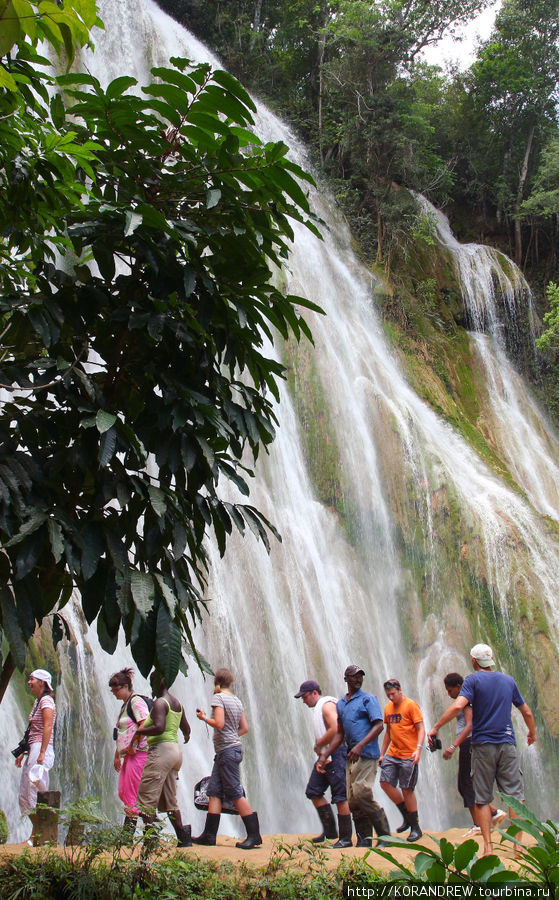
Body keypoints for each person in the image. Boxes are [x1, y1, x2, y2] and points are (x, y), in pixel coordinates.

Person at [428, 643, 537, 857]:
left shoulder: (472, 680)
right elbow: (527, 712)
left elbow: (459, 706)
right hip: (507, 744)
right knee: (515, 795)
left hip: (483, 746)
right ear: (492, 660)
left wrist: (437, 726)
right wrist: (531, 733)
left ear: (474, 661)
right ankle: (517, 846)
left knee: (483, 797)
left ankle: (488, 847)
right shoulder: (509, 681)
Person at [321, 664, 390, 848]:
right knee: (352, 799)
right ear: (346, 679)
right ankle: (364, 839)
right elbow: (340, 734)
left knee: (361, 792)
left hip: (367, 754)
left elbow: (379, 725)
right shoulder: (342, 704)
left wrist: (360, 745)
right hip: (351, 757)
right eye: (354, 676)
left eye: (360, 676)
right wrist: (325, 754)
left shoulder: (368, 700)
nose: (358, 679)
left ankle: (384, 836)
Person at [193, 667, 262, 849]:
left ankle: (254, 835)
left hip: (227, 752)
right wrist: (232, 736)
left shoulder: (218, 698)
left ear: (217, 682)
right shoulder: (236, 700)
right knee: (214, 791)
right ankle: (209, 836)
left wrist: (204, 718)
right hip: (230, 750)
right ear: (230, 683)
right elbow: (244, 728)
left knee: (234, 792)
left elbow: (219, 723)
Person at [439, 673, 505, 837]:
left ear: (459, 687)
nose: (449, 694)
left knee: (466, 784)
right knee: (467, 784)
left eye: (450, 690)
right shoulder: (468, 698)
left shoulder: (466, 700)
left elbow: (469, 726)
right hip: (470, 743)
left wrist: (453, 746)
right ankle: (494, 812)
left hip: (469, 742)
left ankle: (478, 824)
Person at [131, 671, 192, 847]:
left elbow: (159, 727)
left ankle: (151, 838)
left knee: (145, 798)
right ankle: (183, 838)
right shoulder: (177, 703)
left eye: (152, 683)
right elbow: (186, 729)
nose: (151, 687)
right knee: (170, 800)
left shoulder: (159, 703)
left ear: (158, 683)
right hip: (175, 752)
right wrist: (186, 737)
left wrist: (140, 731)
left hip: (161, 752)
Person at [294, 679, 350, 844]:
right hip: (326, 756)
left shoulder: (326, 706)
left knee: (340, 796)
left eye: (305, 697)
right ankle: (330, 832)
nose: (303, 701)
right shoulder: (321, 707)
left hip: (337, 753)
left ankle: (345, 838)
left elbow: (335, 729)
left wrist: (319, 744)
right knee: (313, 790)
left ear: (315, 693)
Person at [379, 678, 425, 842]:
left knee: (407, 789)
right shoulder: (388, 708)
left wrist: (418, 750)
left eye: (392, 694)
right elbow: (388, 732)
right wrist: (382, 753)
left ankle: (415, 828)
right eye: (388, 695)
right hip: (393, 753)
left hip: (409, 754)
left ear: (399, 690)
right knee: (385, 783)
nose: (390, 697)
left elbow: (420, 728)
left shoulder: (411, 705)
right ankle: (406, 814)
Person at [15, 669, 56, 846]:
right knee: (25, 794)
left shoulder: (47, 701)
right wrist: (24, 753)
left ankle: (36, 836)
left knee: (33, 791)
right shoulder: (37, 702)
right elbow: (32, 731)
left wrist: (41, 753)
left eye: (32, 679)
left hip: (41, 748)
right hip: (35, 748)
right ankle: (38, 833)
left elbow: (47, 726)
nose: (29, 682)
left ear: (42, 683)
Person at [109, 668, 150, 833]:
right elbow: (121, 733)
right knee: (124, 791)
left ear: (126, 686)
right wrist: (117, 755)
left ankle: (129, 835)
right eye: (113, 691)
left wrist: (133, 745)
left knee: (132, 793)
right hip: (128, 755)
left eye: (117, 689)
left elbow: (145, 723)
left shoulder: (136, 701)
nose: (115, 693)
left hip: (139, 753)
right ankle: (148, 827)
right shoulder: (125, 706)